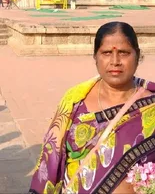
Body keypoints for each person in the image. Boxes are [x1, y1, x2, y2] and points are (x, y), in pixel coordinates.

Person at [28, 22, 155, 194]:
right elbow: (51, 162)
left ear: (137, 56)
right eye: (107, 53)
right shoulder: (74, 101)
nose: (115, 61)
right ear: (95, 57)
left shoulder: (151, 107)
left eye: (124, 53)